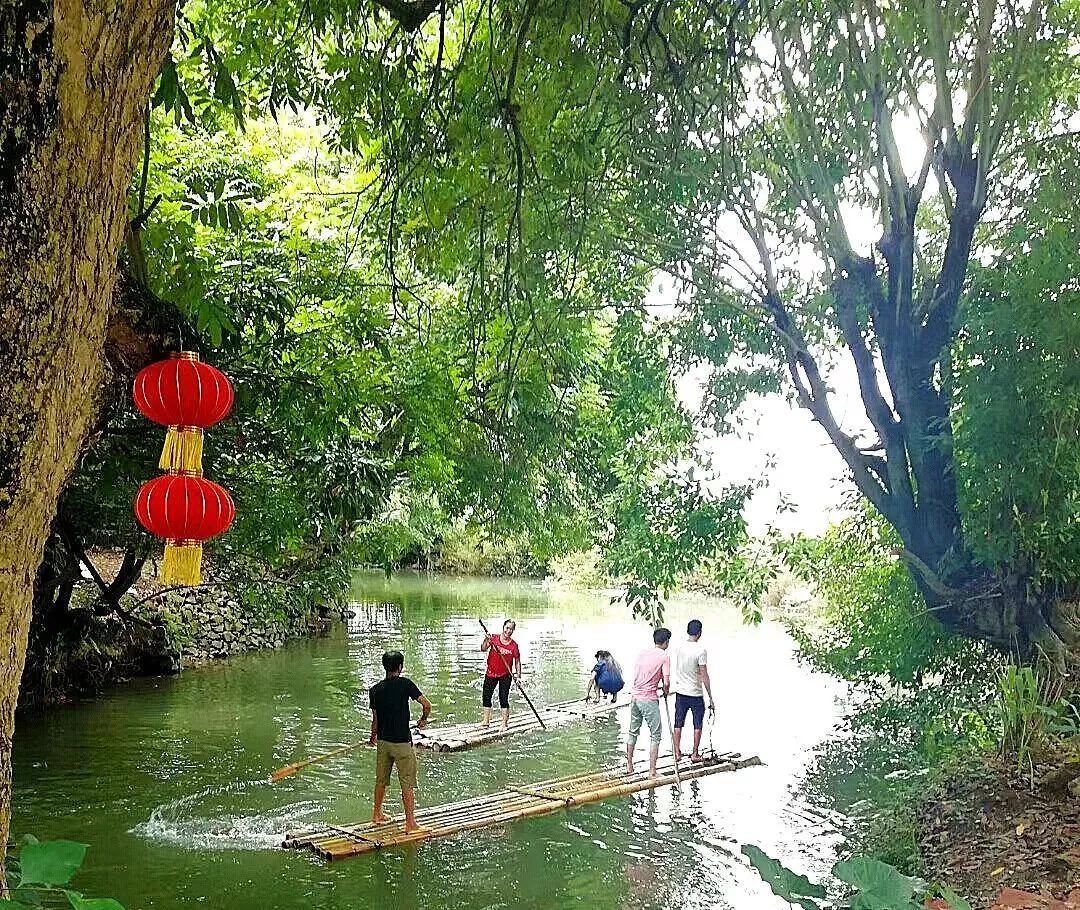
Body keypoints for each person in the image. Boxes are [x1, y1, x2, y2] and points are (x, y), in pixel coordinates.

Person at [368, 650, 432, 832]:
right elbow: (427, 705)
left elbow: (376, 720)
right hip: (402, 742)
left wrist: (372, 738)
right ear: (400, 667)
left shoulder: (375, 690)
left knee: (381, 780)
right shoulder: (405, 684)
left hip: (383, 742)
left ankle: (377, 814)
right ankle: (410, 823)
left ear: (384, 667)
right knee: (407, 782)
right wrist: (423, 719)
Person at [625, 628, 671, 778]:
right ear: (666, 642)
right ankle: (652, 771)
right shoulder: (664, 656)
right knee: (656, 734)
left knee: (633, 731)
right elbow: (667, 680)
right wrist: (665, 691)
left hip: (635, 697)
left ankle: (629, 765)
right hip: (648, 699)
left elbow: (640, 675)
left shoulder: (642, 653)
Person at [672, 619, 715, 764]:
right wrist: (710, 696)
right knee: (697, 723)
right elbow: (704, 675)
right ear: (700, 632)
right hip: (695, 693)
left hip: (680, 691)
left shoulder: (679, 648)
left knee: (678, 722)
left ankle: (677, 751)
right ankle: (695, 753)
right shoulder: (700, 651)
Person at [480, 618, 521, 730]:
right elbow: (483, 649)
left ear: (513, 631)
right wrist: (486, 640)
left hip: (505, 675)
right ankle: (486, 721)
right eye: (507, 628)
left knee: (503, 698)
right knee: (486, 696)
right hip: (491, 673)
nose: (508, 631)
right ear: (503, 627)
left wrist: (518, 676)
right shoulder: (493, 639)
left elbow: (517, 661)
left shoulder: (514, 646)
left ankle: (504, 723)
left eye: (511, 629)